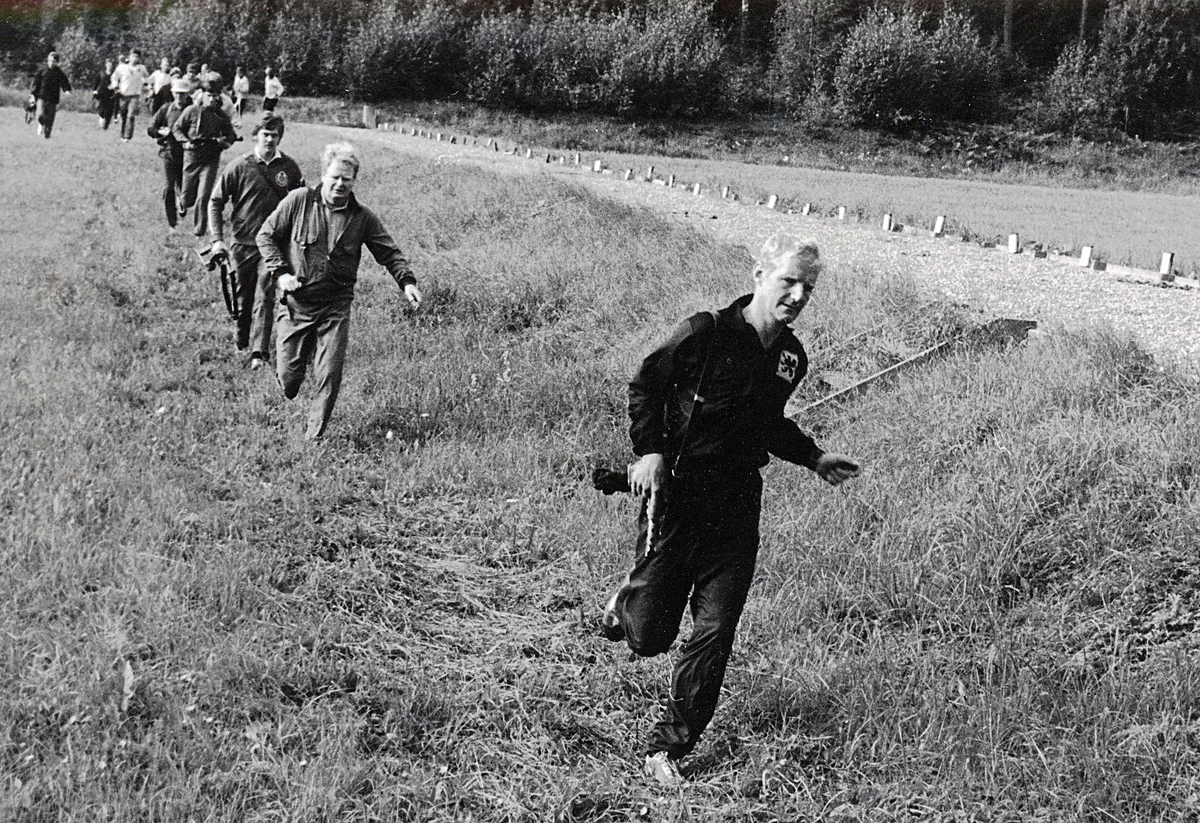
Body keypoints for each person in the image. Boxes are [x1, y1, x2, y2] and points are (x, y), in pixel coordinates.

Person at [602, 233, 861, 788]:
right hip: (676, 496)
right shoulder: (704, 333)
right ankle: (626, 602)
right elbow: (645, 386)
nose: (797, 295)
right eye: (788, 281)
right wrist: (647, 452)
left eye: (807, 287)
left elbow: (768, 422)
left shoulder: (792, 358)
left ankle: (668, 748)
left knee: (716, 630)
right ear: (760, 276)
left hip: (737, 505)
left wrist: (813, 456)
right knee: (649, 637)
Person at [257, 142, 422, 441]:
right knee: (289, 382)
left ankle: (313, 438)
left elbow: (390, 252)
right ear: (323, 175)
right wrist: (281, 273)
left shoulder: (362, 217)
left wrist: (407, 281)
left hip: (335, 306)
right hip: (296, 304)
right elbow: (265, 235)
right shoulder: (299, 201)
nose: (339, 184)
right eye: (334, 177)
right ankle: (298, 359)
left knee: (330, 373)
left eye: (347, 179)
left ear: (354, 181)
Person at [208, 112, 305, 363]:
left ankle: (258, 353)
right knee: (243, 298)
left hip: (273, 247)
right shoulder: (239, 166)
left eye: (275, 135)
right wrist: (217, 239)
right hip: (242, 242)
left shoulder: (289, 168)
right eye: (265, 134)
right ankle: (242, 332)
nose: (270, 140)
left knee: (266, 295)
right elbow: (216, 202)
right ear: (256, 136)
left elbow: (303, 204)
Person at [172, 74, 238, 237]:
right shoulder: (191, 111)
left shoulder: (220, 115)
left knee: (204, 194)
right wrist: (185, 142)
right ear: (203, 95)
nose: (213, 99)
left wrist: (224, 143)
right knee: (188, 198)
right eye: (210, 95)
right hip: (192, 157)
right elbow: (177, 128)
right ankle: (181, 200)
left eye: (216, 95)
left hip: (211, 158)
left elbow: (231, 135)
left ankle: (199, 230)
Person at [147, 78, 193, 229]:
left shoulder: (194, 110)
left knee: (186, 190)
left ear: (187, 95)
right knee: (168, 188)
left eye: (183, 94)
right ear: (173, 94)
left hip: (188, 155)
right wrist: (160, 131)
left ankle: (183, 203)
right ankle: (172, 223)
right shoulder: (166, 109)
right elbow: (151, 127)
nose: (180, 97)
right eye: (177, 93)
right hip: (168, 153)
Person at [30, 51, 72, 139]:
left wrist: (66, 90)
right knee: (40, 115)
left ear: (57, 62)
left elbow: (64, 82)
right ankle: (41, 124)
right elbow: (36, 83)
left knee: (50, 119)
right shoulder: (42, 71)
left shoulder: (59, 73)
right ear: (48, 60)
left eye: (53, 61)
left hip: (53, 99)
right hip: (42, 97)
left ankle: (47, 135)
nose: (51, 63)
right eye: (50, 61)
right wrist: (33, 95)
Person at [111, 48, 149, 142]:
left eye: (137, 56)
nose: (135, 58)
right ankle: (122, 134)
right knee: (124, 116)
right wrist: (115, 86)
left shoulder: (141, 68)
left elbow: (146, 78)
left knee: (131, 115)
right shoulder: (122, 67)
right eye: (133, 56)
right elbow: (114, 77)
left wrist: (145, 84)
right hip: (123, 95)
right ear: (129, 57)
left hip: (135, 95)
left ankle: (127, 137)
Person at [93, 58, 117, 129]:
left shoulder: (114, 74)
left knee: (109, 110)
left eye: (111, 64)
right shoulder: (101, 73)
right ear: (106, 65)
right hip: (102, 93)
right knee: (102, 108)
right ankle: (101, 117)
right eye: (108, 64)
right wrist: (94, 90)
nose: (110, 66)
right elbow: (96, 82)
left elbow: (117, 83)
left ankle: (106, 125)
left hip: (111, 94)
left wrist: (115, 88)